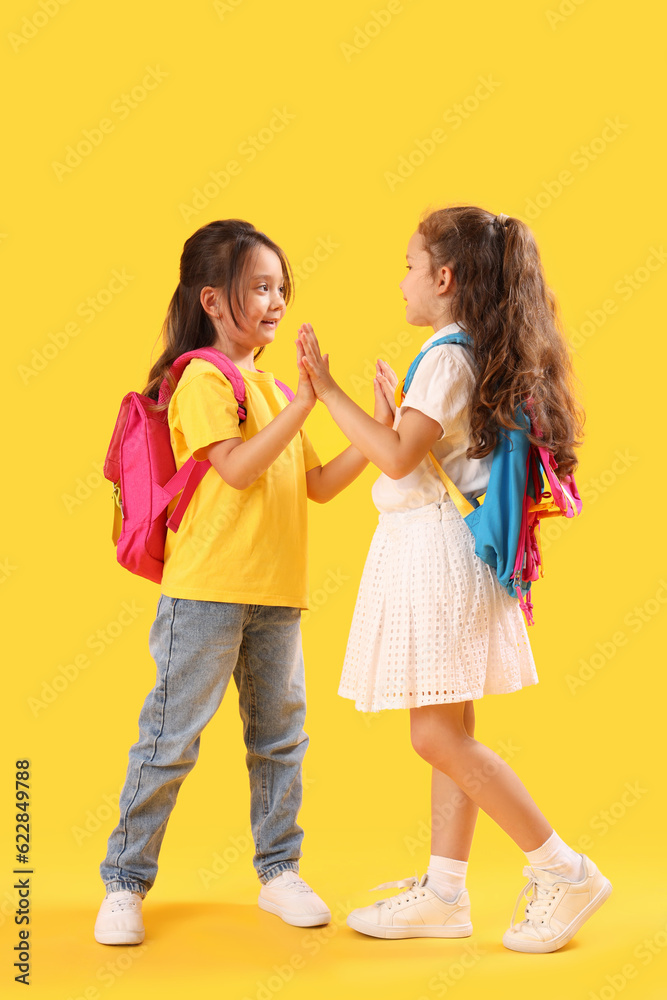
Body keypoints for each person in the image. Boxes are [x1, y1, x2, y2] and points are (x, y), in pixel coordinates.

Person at [297, 205, 612, 954]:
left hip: (434, 558)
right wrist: (373, 413)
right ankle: (444, 892)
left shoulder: (444, 355)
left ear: (443, 278)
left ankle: (560, 867)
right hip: (445, 554)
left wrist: (328, 389)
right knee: (452, 731)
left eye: (409, 265)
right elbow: (385, 454)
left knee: (435, 736)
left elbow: (398, 458)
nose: (400, 280)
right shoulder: (461, 353)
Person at [94, 219, 379, 945]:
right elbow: (237, 467)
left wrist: (375, 430)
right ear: (214, 301)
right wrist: (307, 405)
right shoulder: (200, 376)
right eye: (261, 287)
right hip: (206, 593)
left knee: (281, 740)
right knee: (169, 739)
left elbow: (314, 483)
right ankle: (123, 883)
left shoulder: (274, 384)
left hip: (278, 594)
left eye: (282, 287)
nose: (277, 301)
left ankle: (279, 870)